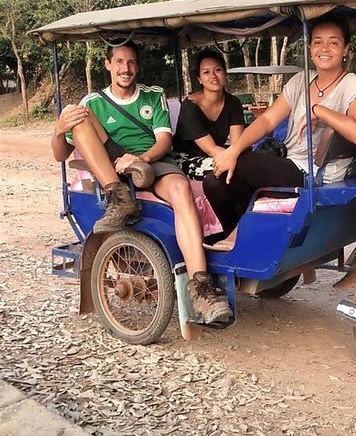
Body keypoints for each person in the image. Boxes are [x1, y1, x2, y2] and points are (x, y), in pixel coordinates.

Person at [50, 40, 232, 324]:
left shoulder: (152, 95)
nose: (126, 68)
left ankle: (201, 287)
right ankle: (118, 198)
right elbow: (60, 154)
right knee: (78, 117)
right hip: (111, 166)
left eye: (131, 62)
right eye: (120, 62)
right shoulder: (93, 103)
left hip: (151, 161)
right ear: (108, 65)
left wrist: (140, 158)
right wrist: (59, 130)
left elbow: (164, 141)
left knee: (181, 188)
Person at [209, 15, 356, 248]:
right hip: (291, 163)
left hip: (318, 172)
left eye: (333, 43)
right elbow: (267, 120)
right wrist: (232, 150)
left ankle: (241, 237)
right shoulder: (300, 81)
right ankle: (242, 238)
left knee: (243, 164)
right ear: (309, 48)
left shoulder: (353, 84)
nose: (324, 48)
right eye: (317, 42)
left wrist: (319, 110)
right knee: (215, 181)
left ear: (345, 49)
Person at [172, 49, 246, 237]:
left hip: (219, 154)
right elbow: (210, 148)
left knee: (247, 161)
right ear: (199, 79)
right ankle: (231, 228)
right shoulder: (191, 106)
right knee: (230, 169)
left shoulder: (233, 103)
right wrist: (232, 157)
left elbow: (237, 143)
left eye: (218, 70)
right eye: (206, 72)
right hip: (187, 159)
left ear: (225, 74)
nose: (213, 76)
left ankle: (248, 222)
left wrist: (236, 155)